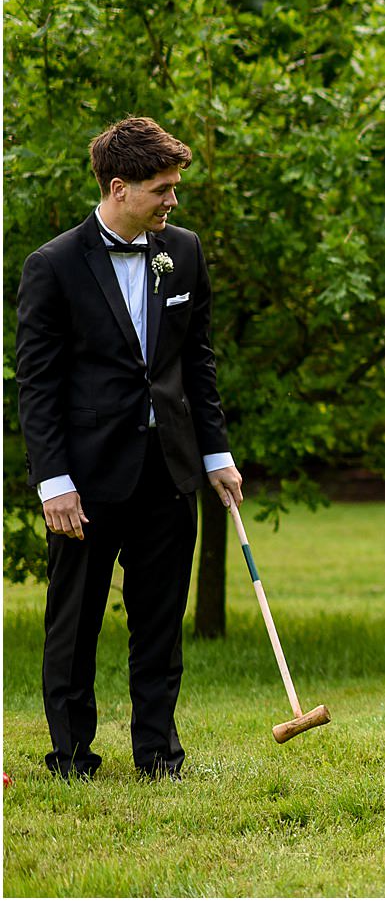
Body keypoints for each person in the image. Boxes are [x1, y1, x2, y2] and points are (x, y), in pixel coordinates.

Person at [15, 117, 243, 780]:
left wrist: (215, 454)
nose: (173, 200)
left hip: (170, 469)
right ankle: (71, 757)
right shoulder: (53, 265)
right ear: (120, 187)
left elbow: (194, 362)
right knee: (75, 625)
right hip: (86, 478)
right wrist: (53, 481)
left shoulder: (186, 252)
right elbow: (38, 382)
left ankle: (160, 756)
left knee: (160, 623)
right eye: (162, 189)